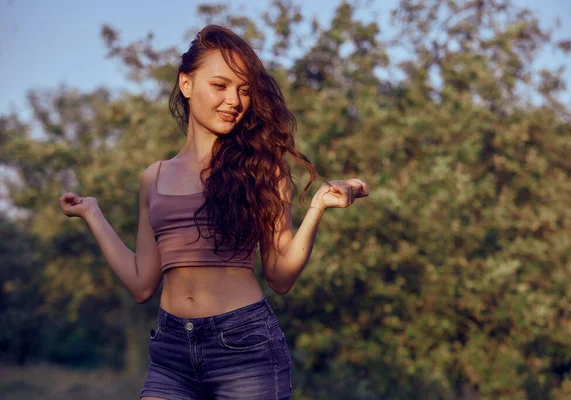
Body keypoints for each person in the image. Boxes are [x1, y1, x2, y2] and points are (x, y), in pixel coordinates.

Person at [59, 25, 369, 400]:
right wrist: (93, 214)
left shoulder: (262, 170)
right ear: (186, 85)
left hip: (245, 347)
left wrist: (317, 207)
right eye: (220, 86)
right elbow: (142, 283)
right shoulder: (152, 178)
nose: (234, 101)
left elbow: (281, 276)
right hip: (171, 350)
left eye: (243, 90)